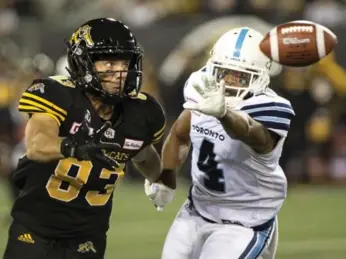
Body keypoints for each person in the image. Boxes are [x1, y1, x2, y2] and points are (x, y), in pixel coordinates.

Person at [3, 18, 175, 259]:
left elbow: (143, 155)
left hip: (88, 237)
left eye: (124, 62)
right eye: (109, 62)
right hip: (35, 231)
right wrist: (78, 147)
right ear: (83, 62)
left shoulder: (141, 113)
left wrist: (160, 179)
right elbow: (36, 145)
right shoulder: (57, 94)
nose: (119, 72)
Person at [146, 27, 295, 259]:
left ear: (261, 77)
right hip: (196, 211)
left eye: (240, 77)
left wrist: (224, 113)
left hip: (245, 221)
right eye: (223, 73)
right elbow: (180, 134)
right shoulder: (200, 86)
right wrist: (166, 177)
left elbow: (255, 136)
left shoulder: (269, 106)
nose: (228, 82)